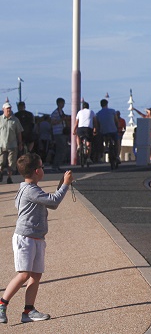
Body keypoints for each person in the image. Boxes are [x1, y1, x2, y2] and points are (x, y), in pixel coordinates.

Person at [0, 153, 72, 323]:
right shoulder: (30, 190)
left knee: (36, 275)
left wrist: (63, 183)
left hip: (37, 238)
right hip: (25, 238)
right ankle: (2, 305)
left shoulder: (32, 189)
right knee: (24, 274)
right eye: (42, 167)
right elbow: (54, 201)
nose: (43, 170)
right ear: (36, 171)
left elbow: (51, 204)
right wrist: (66, 185)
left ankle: (28, 311)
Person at [0, 104, 24, 185]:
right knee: (1, 162)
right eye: (7, 109)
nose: (8, 110)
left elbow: (19, 132)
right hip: (1, 144)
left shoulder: (15, 120)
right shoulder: (0, 119)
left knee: (11, 162)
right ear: (3, 109)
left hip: (12, 145)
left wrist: (20, 143)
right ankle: (1, 172)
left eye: (9, 109)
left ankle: (9, 177)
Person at [93, 99, 119, 170]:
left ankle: (106, 146)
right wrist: (117, 127)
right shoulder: (112, 111)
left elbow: (97, 124)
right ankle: (117, 156)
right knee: (117, 141)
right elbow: (116, 121)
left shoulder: (98, 113)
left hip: (103, 131)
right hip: (113, 130)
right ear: (107, 104)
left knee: (103, 137)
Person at [47, 99, 68, 171]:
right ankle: (55, 165)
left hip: (62, 132)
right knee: (60, 149)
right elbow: (52, 122)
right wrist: (61, 120)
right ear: (58, 103)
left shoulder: (61, 112)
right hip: (57, 132)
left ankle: (57, 164)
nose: (63, 105)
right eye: (62, 103)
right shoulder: (55, 113)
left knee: (62, 149)